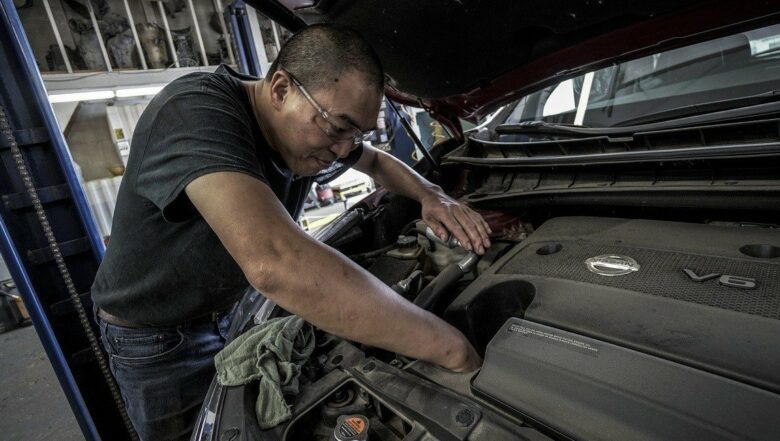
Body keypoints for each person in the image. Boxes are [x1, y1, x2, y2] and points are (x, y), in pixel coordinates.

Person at [90, 24, 489, 441]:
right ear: (281, 89)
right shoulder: (193, 112)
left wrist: (431, 195)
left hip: (233, 311)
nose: (342, 148)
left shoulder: (308, 128)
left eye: (355, 133)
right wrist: (450, 347)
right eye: (338, 128)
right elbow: (276, 264)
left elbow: (375, 162)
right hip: (157, 338)